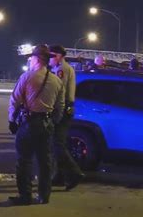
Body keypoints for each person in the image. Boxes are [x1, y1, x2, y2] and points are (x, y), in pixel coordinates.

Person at [8, 44, 65, 205]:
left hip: (28, 124)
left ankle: (25, 196)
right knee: (45, 162)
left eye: (31, 57)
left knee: (24, 161)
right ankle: (44, 196)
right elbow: (60, 107)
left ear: (37, 59)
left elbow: (15, 100)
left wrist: (11, 120)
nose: (30, 60)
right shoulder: (56, 80)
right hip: (47, 124)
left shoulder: (27, 77)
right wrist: (52, 121)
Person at [49, 45, 85, 191]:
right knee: (57, 143)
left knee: (58, 144)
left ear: (58, 56)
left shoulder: (61, 70)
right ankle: (60, 176)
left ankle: (74, 173)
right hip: (64, 109)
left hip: (62, 109)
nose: (49, 59)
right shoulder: (61, 68)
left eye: (52, 56)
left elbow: (58, 90)